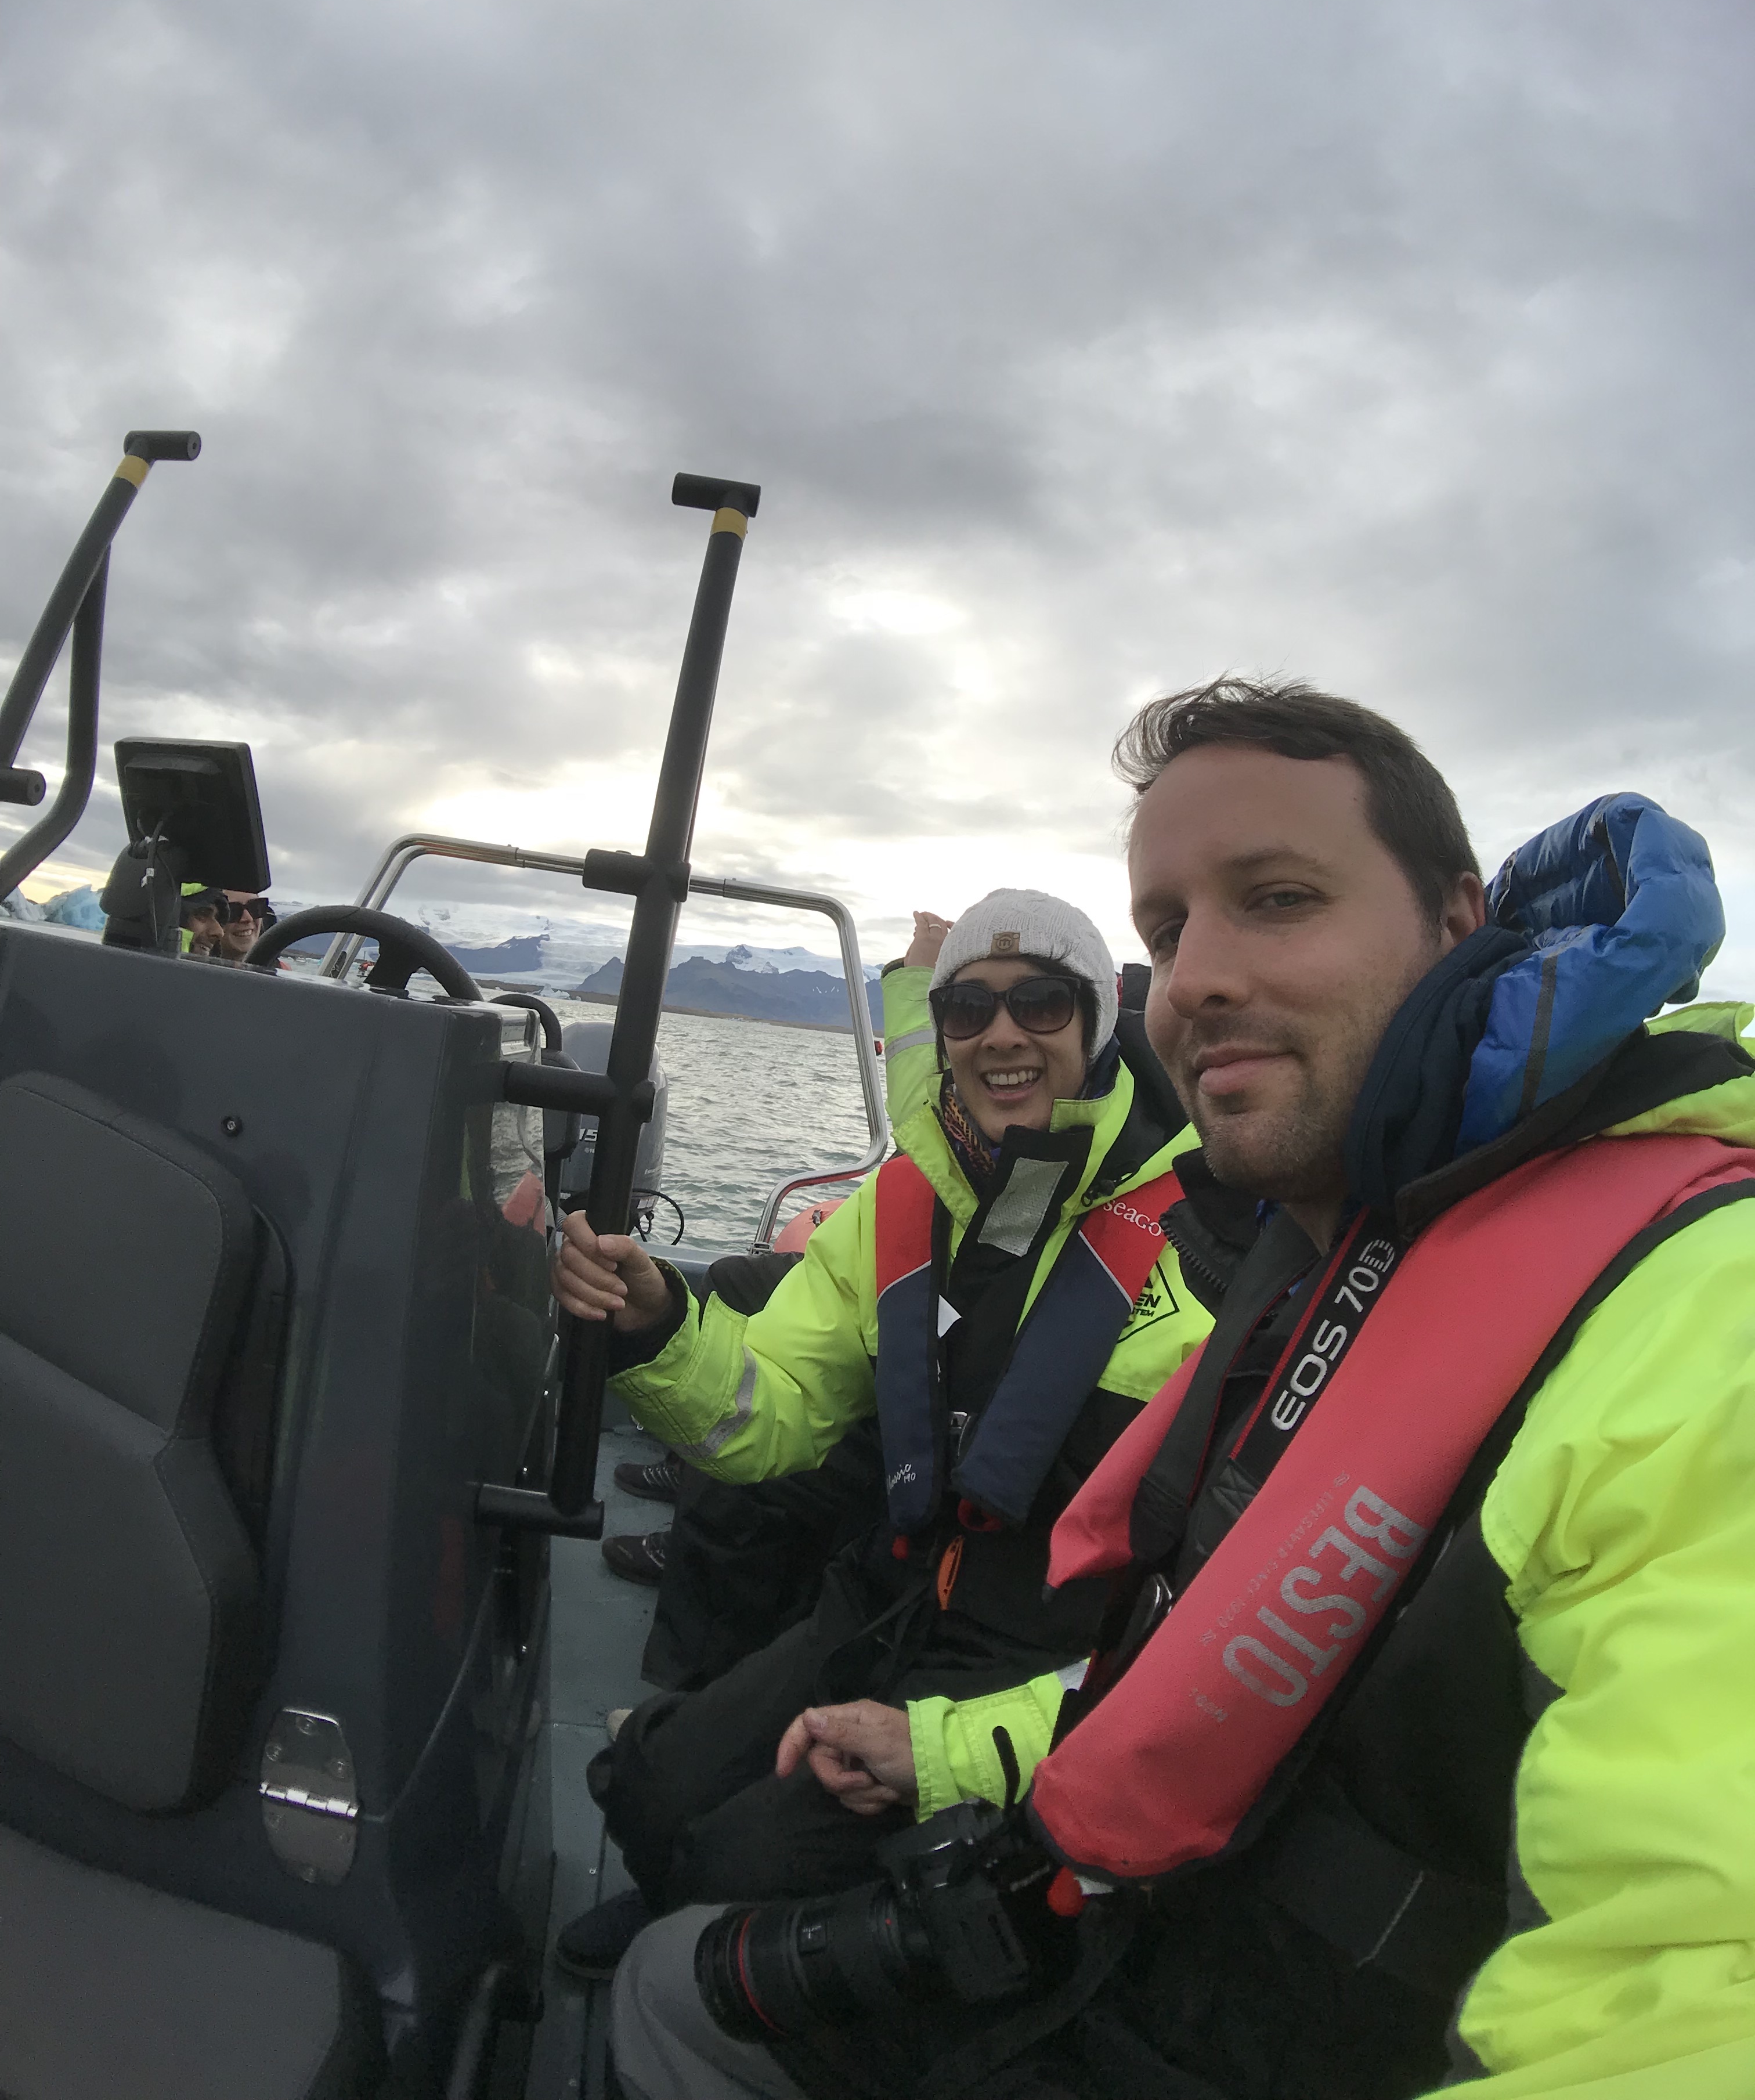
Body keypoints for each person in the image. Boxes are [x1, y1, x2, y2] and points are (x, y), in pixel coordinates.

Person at [609, 678, 1755, 2100]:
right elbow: (784, 1418)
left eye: (1277, 898)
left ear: (1464, 924)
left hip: (1210, 1936)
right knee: (660, 1826)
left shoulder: (1703, 1314)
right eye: (1171, 928)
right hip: (1099, 1837)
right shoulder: (1347, 1240)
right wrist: (652, 1325)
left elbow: (1694, 1993)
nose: (1201, 973)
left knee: (696, 1953)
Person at [552, 890, 1229, 1979]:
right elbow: (764, 1414)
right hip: (886, 1599)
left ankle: (697, 1922)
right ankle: (668, 1896)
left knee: (739, 1863)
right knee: (645, 1782)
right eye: (964, 1008)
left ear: (1097, 1020)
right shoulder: (903, 1203)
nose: (1000, 1033)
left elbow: (1210, 1630)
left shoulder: (1205, 1245)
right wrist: (661, 1327)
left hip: (1032, 1665)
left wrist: (946, 1752)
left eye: (1040, 1001)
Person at [597, 910, 956, 1633]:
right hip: (892, 1264)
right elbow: (919, 1072)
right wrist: (918, 970)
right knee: (733, 1277)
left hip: (923, 1307)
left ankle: (695, 1606)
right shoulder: (951, 1109)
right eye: (975, 1008)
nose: (1000, 1034)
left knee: (768, 1347)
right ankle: (690, 1472)